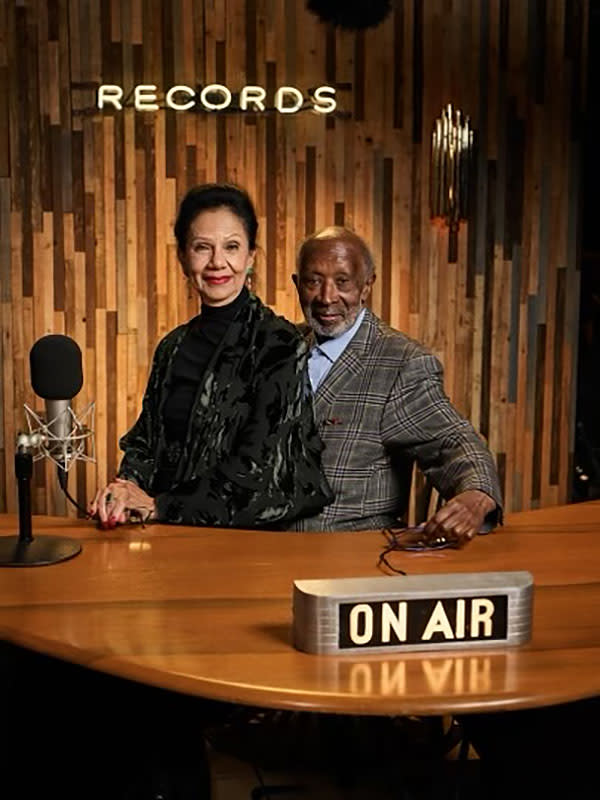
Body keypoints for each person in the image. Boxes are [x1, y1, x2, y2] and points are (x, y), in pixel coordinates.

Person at [89, 183, 332, 529]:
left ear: (250, 257)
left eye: (231, 247)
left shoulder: (279, 344)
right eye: (203, 247)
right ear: (184, 258)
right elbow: (145, 441)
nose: (218, 262)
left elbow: (254, 471)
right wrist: (125, 489)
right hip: (161, 531)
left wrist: (158, 505)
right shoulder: (172, 346)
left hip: (245, 541)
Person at [291, 226, 502, 537]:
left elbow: (453, 444)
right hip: (267, 553)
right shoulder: (284, 346)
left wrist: (477, 495)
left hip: (355, 561)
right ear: (297, 285)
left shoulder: (402, 363)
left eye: (342, 282)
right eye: (313, 281)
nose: (326, 297)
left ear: (366, 285)